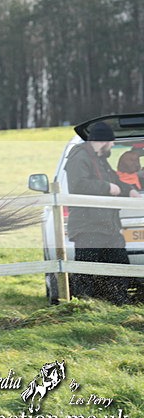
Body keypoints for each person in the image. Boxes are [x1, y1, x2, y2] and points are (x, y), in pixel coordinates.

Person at [65, 121, 141, 303]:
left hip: (108, 227)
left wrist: (129, 189)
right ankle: (86, 307)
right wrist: (107, 187)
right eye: (112, 141)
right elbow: (78, 185)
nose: (113, 145)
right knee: (88, 275)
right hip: (88, 228)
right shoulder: (79, 158)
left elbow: (115, 180)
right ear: (103, 140)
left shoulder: (99, 160)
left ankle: (119, 305)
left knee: (119, 269)